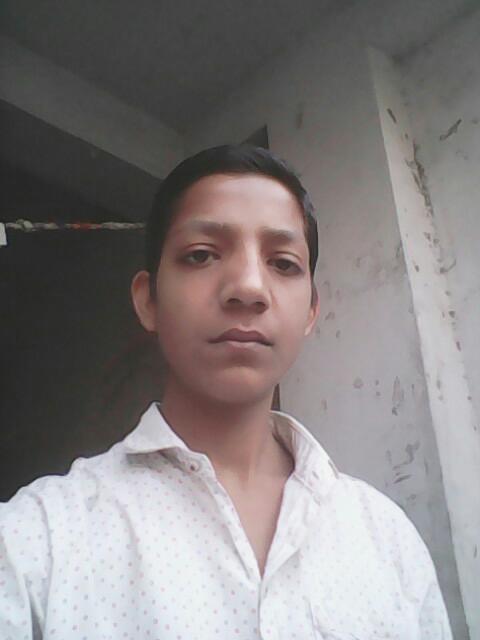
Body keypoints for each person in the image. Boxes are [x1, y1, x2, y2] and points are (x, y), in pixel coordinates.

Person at [0, 145, 452, 639]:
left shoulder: (388, 540)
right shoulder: (38, 541)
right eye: (201, 255)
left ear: (310, 312)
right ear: (148, 301)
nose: (249, 287)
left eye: (283, 263)